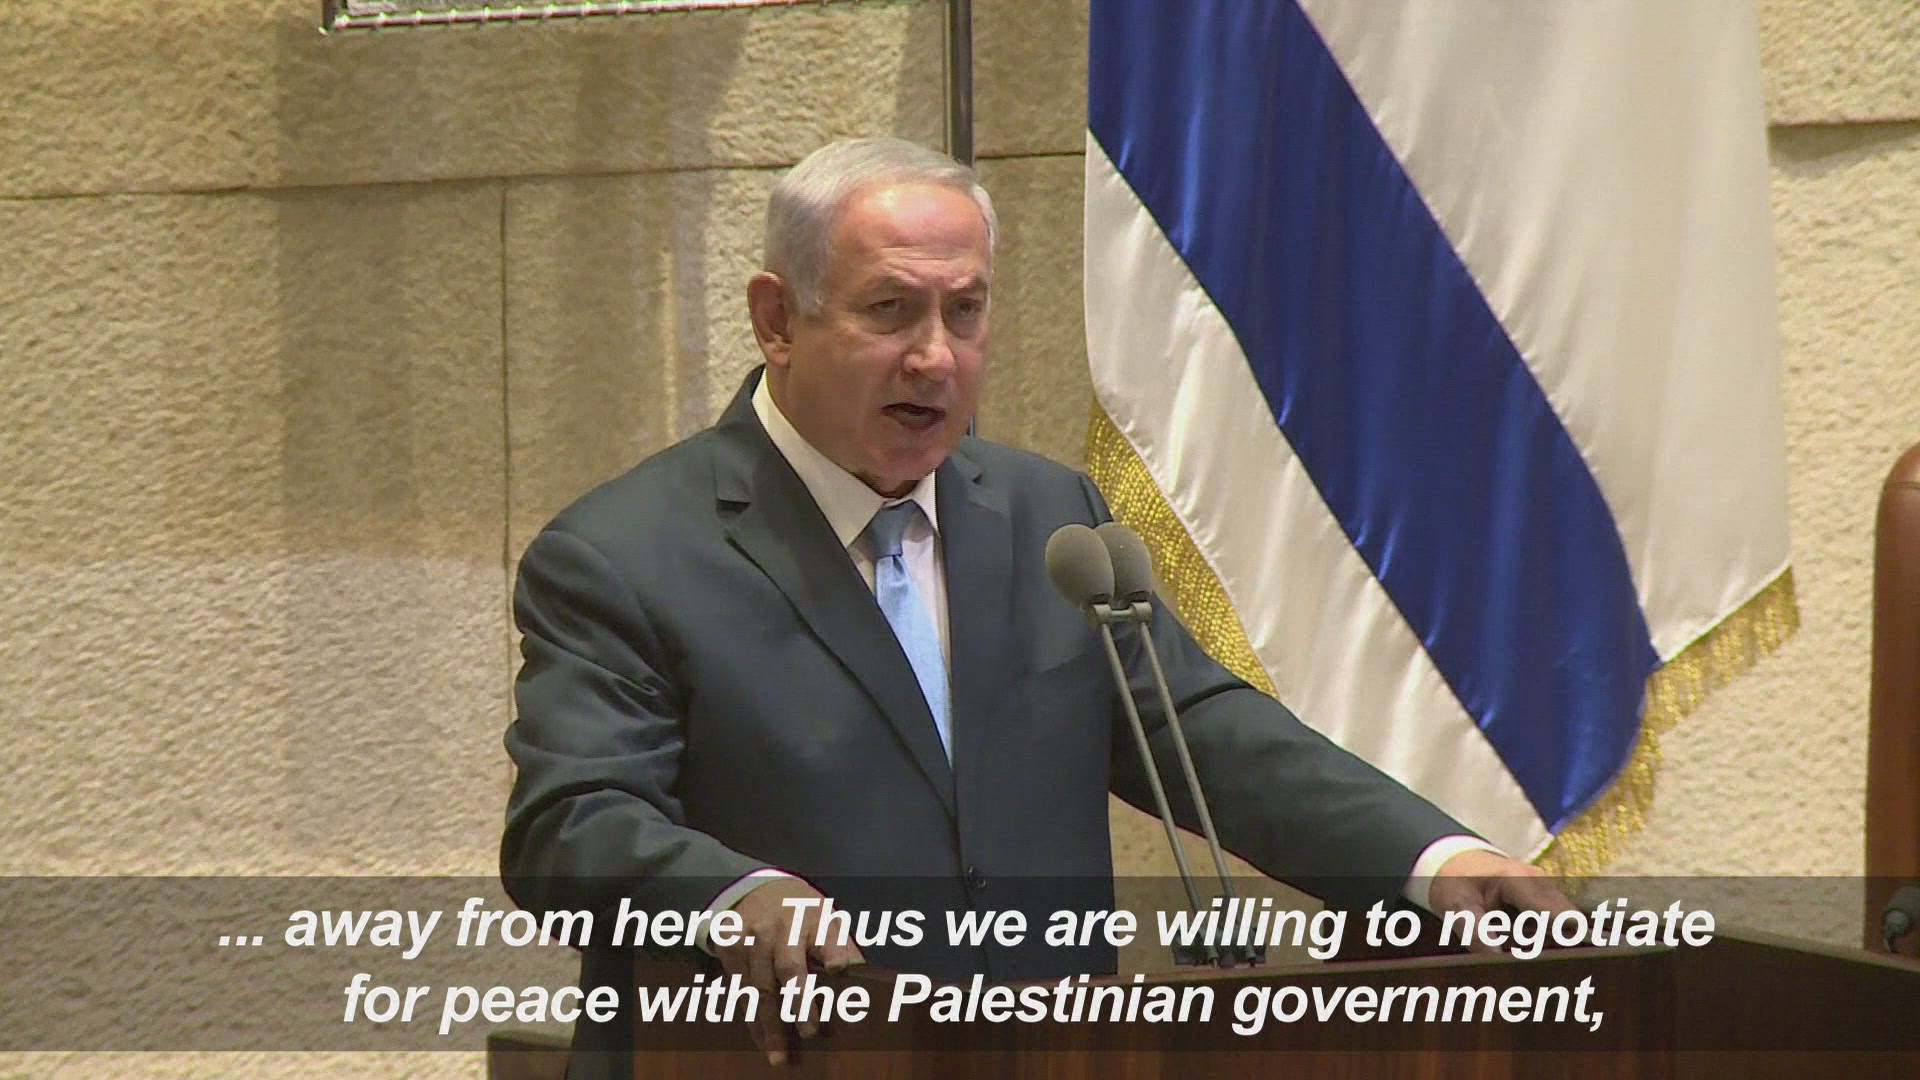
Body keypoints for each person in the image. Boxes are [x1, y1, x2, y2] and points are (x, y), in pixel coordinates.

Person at [502, 137, 1569, 1072]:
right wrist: (730, 897)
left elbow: (1194, 729)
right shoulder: (625, 555)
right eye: (890, 310)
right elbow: (570, 823)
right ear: (777, 320)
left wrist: (1431, 861)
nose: (936, 356)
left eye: (965, 311)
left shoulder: (1048, 519)